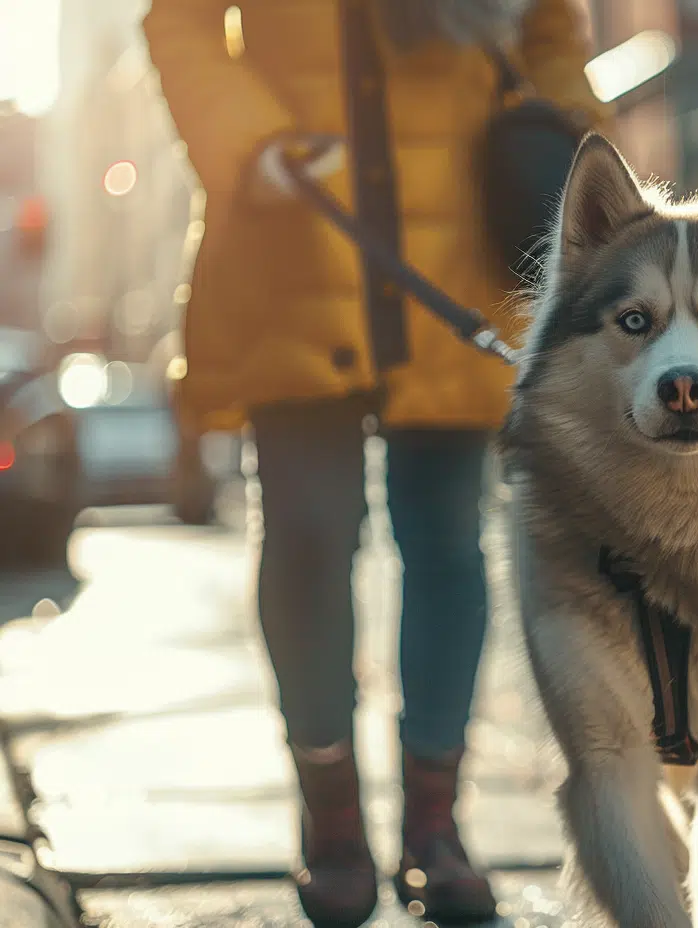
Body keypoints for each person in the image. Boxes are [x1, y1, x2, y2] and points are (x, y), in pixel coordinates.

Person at [142, 2, 609, 925]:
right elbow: (179, 23)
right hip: (296, 238)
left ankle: (437, 827)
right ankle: (332, 822)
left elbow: (552, 29)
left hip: (461, 248)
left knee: (445, 542)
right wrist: (250, 143)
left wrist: (562, 139)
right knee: (309, 537)